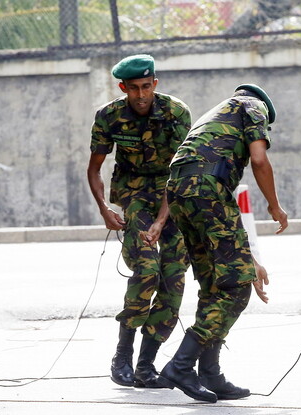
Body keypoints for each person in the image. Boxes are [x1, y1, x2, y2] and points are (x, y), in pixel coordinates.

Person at [159, 84, 288, 403]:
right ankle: (181, 364)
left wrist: (247, 258)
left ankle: (211, 374)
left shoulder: (213, 116)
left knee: (215, 286)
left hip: (178, 193)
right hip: (207, 190)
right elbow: (259, 159)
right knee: (236, 288)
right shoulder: (252, 106)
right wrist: (274, 205)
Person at [87, 54, 191, 389]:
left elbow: (178, 174)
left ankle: (147, 365)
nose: (142, 94)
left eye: (147, 86)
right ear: (123, 88)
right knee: (147, 270)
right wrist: (104, 207)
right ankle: (123, 354)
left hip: (172, 197)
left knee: (173, 281)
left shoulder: (176, 113)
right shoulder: (109, 116)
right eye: (134, 88)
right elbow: (94, 168)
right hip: (133, 195)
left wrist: (162, 221)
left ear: (155, 84)